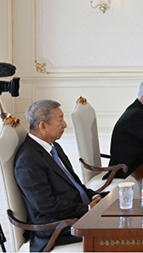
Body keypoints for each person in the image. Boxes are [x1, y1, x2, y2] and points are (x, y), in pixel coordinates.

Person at [14, 100, 102, 252]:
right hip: (57, 227)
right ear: (43, 126)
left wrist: (95, 197)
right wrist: (87, 208)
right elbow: (47, 205)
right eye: (60, 120)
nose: (65, 125)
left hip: (76, 213)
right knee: (120, 229)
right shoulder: (27, 160)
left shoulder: (54, 147)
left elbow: (74, 184)